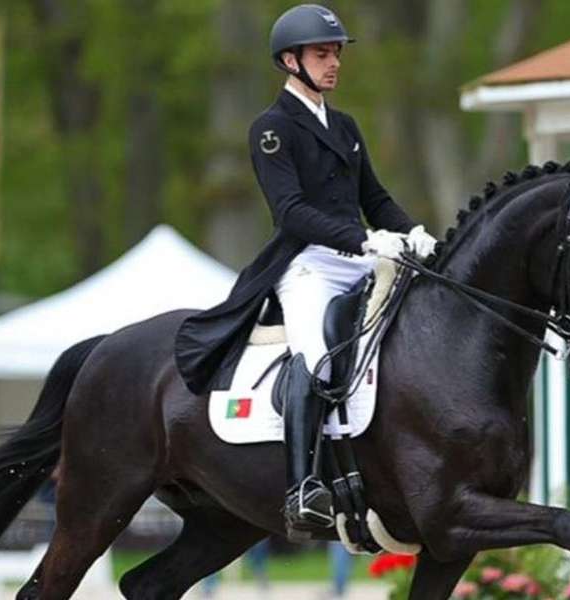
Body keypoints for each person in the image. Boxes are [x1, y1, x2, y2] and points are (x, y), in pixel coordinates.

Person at [174, 3, 436, 540]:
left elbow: (376, 198)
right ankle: (303, 487)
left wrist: (414, 233)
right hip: (308, 266)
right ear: (290, 60)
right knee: (316, 357)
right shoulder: (271, 129)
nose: (334, 63)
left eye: (336, 53)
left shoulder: (344, 125)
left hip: (362, 260)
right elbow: (290, 211)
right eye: (322, 54)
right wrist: (363, 237)